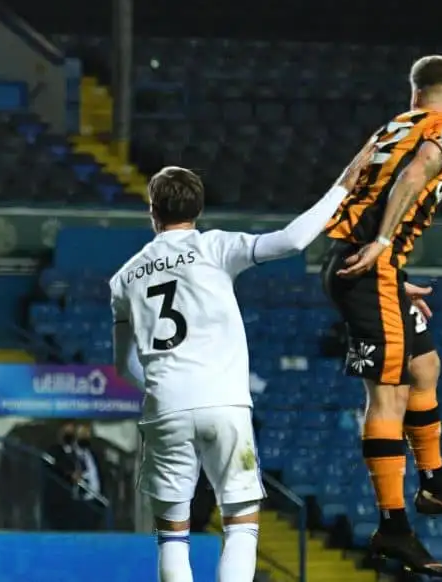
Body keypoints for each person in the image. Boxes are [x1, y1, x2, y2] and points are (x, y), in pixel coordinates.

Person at [110, 153, 371, 582]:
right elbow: (291, 240)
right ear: (198, 209)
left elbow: (124, 365)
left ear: (152, 212)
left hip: (165, 408)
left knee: (173, 535)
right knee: (241, 523)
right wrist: (343, 185)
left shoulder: (124, 278)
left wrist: (162, 391)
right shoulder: (215, 246)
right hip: (224, 404)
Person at [321, 55, 442, 576]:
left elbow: (348, 180)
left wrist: (391, 273)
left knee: (426, 367)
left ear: (413, 93)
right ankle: (394, 526)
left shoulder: (393, 125)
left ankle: (435, 487)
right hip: (369, 265)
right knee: (389, 393)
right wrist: (380, 245)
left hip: (372, 269)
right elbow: (418, 173)